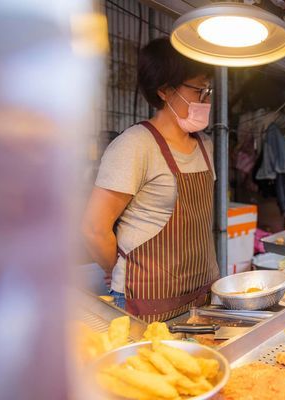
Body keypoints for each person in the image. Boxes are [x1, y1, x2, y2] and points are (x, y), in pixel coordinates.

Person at [82, 38, 219, 322]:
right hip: (145, 300)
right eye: (199, 90)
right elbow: (94, 229)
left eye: (209, 90)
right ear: (166, 91)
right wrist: (120, 269)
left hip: (200, 295)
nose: (206, 100)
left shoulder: (205, 145)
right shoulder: (134, 145)